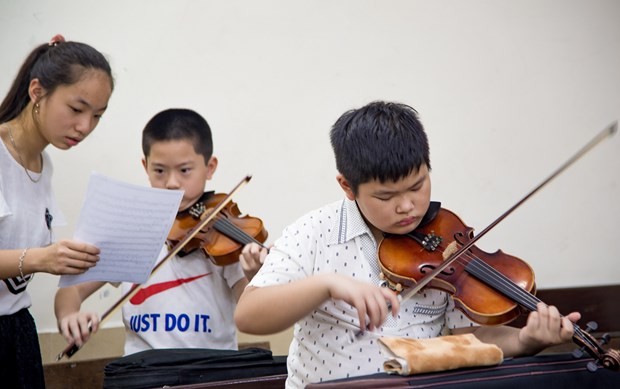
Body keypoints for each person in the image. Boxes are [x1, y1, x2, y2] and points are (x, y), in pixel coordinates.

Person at [234, 101, 581, 388]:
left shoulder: (448, 238)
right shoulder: (313, 232)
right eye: (385, 196)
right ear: (347, 186)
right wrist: (327, 284)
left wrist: (525, 341)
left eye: (417, 186)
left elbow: (469, 337)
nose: (407, 207)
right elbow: (249, 315)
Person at [54, 108, 268, 355]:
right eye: (159, 171)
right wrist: (69, 316)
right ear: (145, 166)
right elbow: (70, 290)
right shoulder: (130, 232)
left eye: (185, 170)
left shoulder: (226, 245)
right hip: (144, 372)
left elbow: (252, 314)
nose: (172, 183)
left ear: (210, 167)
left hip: (209, 371)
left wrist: (257, 276)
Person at [0, 35, 114, 388]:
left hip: (16, 331)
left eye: (97, 115)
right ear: (37, 91)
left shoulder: (42, 163)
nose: (85, 127)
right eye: (77, 109)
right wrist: (40, 258)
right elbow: (34, 257)